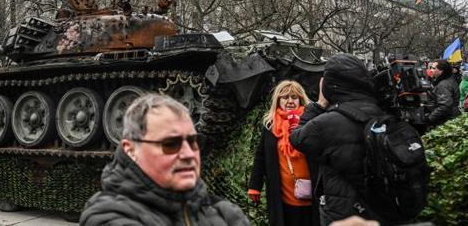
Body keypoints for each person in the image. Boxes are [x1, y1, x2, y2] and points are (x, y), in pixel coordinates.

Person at [80, 93, 249, 226]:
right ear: (130, 150)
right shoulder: (108, 217)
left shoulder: (226, 213)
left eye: (193, 141)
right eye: (170, 144)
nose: (188, 154)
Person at [290, 53, 385, 225]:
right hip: (383, 207)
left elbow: (298, 138)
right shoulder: (381, 111)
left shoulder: (330, 122)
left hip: (344, 213)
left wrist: (319, 103)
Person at [248, 80, 318, 226]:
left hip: (312, 196)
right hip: (283, 197)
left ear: (300, 99)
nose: (290, 101)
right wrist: (255, 186)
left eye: (294, 97)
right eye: (285, 97)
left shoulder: (311, 123)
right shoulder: (270, 125)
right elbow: (261, 157)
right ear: (278, 101)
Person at [426, 59, 460, 127]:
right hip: (451, 118)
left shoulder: (443, 85)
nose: (431, 70)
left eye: (433, 68)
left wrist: (429, 119)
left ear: (441, 71)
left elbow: (445, 106)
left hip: (446, 121)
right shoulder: (450, 80)